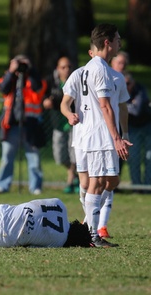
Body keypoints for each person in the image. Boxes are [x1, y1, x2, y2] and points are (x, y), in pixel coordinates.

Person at [68, 23, 131, 247]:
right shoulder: (101, 69)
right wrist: (116, 137)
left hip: (94, 136)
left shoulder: (89, 68)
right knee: (96, 184)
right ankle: (91, 235)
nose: (119, 42)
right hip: (99, 135)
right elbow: (105, 107)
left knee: (103, 182)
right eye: (117, 38)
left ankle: (90, 232)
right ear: (107, 42)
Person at [0, 55, 47, 195]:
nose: (21, 67)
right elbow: (2, 88)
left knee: (33, 157)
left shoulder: (33, 79)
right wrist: (12, 71)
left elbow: (39, 88)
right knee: (7, 157)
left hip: (31, 124)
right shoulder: (9, 78)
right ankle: (3, 185)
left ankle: (35, 186)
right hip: (11, 124)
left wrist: (31, 70)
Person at [43, 56, 78, 194]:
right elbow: (43, 96)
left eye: (69, 67)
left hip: (74, 124)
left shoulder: (77, 81)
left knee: (74, 155)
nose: (66, 70)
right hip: (58, 124)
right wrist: (46, 102)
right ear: (58, 69)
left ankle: (71, 181)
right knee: (60, 156)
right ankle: (74, 174)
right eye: (63, 67)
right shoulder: (51, 82)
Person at [123, 71, 151, 188]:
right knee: (134, 158)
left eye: (128, 83)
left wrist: (124, 106)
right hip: (132, 128)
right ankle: (136, 186)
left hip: (147, 126)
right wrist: (130, 105)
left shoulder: (140, 90)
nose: (126, 86)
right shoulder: (119, 92)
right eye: (124, 84)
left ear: (133, 83)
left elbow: (137, 110)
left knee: (149, 157)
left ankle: (147, 186)